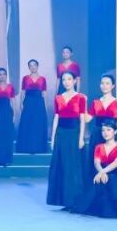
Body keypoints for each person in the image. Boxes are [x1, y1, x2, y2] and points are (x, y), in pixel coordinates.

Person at [70, 120, 117, 218]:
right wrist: (101, 172)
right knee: (99, 181)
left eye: (108, 130)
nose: (105, 133)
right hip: (102, 170)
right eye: (103, 130)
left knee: (110, 180)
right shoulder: (99, 147)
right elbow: (96, 162)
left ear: (115, 132)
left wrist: (102, 172)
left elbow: (116, 163)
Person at [46, 71, 87, 208]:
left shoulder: (80, 98)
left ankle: (74, 199)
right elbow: (56, 118)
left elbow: (82, 119)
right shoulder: (58, 98)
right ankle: (63, 199)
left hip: (74, 133)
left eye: (69, 79)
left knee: (73, 167)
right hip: (61, 134)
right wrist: (53, 138)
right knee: (62, 165)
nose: (66, 82)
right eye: (64, 79)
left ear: (75, 81)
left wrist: (81, 138)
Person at [16, 59, 49, 153]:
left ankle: (38, 147)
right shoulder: (25, 78)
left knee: (38, 124)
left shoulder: (42, 79)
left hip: (39, 102)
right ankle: (27, 147)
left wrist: (45, 106)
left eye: (34, 65)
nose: (33, 67)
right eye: (30, 65)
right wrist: (21, 104)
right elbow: (23, 92)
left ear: (37, 66)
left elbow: (44, 94)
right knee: (28, 123)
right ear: (29, 67)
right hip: (28, 102)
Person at [87, 74, 117, 149]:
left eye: (107, 83)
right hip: (97, 134)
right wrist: (84, 102)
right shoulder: (96, 102)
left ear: (113, 86)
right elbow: (87, 119)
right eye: (102, 83)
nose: (104, 86)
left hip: (112, 134)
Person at [0, 68, 16, 166]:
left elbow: (13, 101)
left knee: (7, 136)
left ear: (6, 75)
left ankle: (6, 159)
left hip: (7, 113)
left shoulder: (10, 87)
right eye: (0, 74)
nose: (2, 76)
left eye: (4, 74)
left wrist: (14, 114)